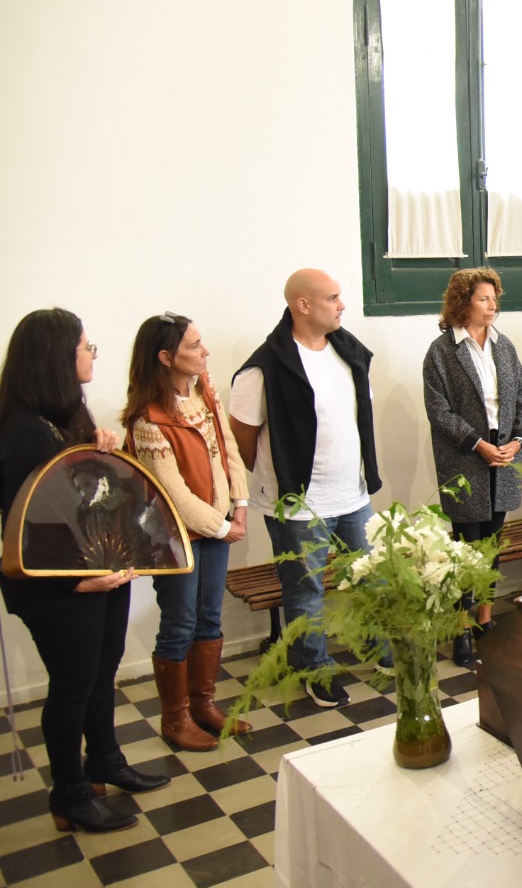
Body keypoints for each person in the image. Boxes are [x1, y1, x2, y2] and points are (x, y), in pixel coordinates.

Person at [0, 310, 169, 833]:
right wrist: (79, 580)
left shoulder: (67, 416)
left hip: (98, 573)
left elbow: (85, 498)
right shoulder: (25, 432)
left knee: (100, 675)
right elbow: (27, 526)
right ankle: (70, 795)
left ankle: (105, 763)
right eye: (85, 346)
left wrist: (102, 452)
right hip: (57, 585)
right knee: (72, 685)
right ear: (57, 358)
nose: (93, 353)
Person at [232, 270, 382, 709]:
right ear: (303, 305)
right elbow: (242, 434)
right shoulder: (266, 366)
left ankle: (379, 648)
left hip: (351, 493)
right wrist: (276, 478)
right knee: (305, 591)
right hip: (298, 503)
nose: (342, 305)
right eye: (333, 298)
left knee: (372, 576)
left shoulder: (347, 350)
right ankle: (314, 670)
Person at [123, 315, 249, 751]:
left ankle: (204, 704)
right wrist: (222, 526)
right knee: (180, 623)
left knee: (209, 617)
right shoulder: (148, 418)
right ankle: (175, 719)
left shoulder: (203, 394)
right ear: (165, 357)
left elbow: (228, 449)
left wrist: (241, 503)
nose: (205, 352)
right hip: (176, 539)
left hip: (216, 528)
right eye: (195, 346)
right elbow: (172, 494)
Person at [422, 268, 522, 667]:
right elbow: (439, 411)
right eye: (484, 298)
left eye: (494, 298)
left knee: (492, 546)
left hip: (503, 454)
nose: (493, 306)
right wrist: (479, 444)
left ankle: (485, 621)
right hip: (465, 456)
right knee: (464, 549)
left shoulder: (504, 346)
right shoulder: (441, 351)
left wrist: (518, 440)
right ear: (463, 302)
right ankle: (461, 627)